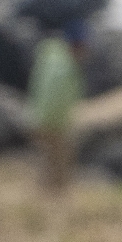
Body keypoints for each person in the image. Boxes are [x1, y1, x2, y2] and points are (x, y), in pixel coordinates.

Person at [27, 20, 87, 192]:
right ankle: (54, 201)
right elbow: (53, 97)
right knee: (58, 163)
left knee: (49, 162)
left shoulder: (52, 58)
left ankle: (47, 198)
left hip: (42, 118)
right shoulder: (63, 66)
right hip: (52, 122)